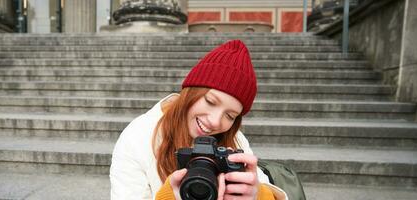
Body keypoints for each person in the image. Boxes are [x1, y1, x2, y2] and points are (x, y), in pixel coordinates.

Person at [110, 40, 288, 200]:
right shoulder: (137, 138)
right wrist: (169, 197)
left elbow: (265, 189)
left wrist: (258, 195)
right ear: (191, 91)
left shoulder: (235, 139)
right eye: (210, 102)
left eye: (230, 116)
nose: (215, 122)